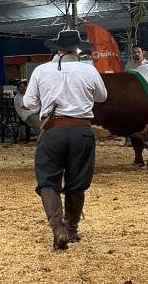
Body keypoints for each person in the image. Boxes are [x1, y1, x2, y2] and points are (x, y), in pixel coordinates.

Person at [22, 29, 107, 250]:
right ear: (78, 49)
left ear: (56, 48)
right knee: (77, 182)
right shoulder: (88, 69)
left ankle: (58, 228)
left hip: (53, 130)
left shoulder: (41, 70)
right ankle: (71, 228)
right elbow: (102, 97)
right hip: (81, 130)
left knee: (48, 180)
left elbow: (29, 103)